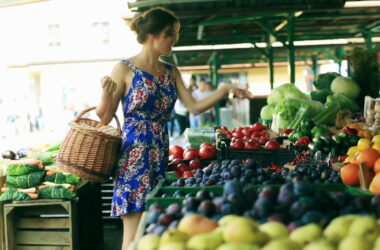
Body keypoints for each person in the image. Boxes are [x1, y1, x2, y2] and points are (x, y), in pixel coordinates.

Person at [95, 7, 249, 250]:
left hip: (159, 153)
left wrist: (224, 89)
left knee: (153, 229)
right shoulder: (124, 69)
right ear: (154, 34)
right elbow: (104, 117)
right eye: (171, 34)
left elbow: (195, 106)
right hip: (133, 157)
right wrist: (105, 93)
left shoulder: (171, 71)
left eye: (176, 34)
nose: (175, 40)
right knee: (132, 237)